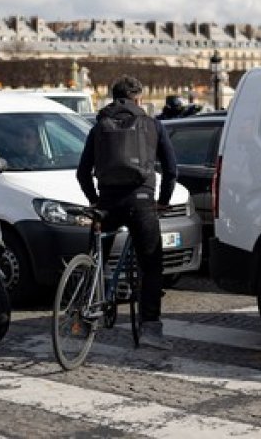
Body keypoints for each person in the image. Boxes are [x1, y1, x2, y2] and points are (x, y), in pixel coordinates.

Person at [77, 75, 178, 350]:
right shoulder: (153, 125)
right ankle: (150, 329)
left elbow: (82, 172)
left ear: (113, 97)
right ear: (139, 98)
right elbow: (171, 170)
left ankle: (85, 312)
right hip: (142, 201)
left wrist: (95, 199)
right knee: (151, 264)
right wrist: (163, 200)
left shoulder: (99, 127)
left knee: (95, 256)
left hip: (108, 202)